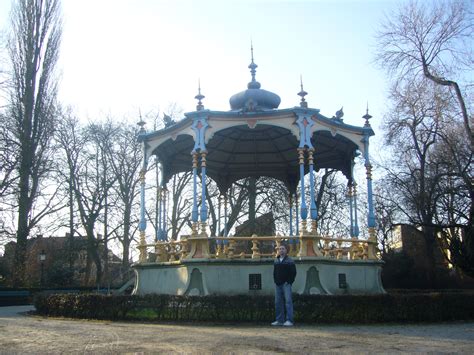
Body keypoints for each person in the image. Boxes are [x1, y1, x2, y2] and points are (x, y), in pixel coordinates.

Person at [271, 243, 296, 326]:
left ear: (286, 250)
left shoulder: (290, 261)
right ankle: (279, 320)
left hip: (286, 284)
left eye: (283, 249)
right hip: (277, 284)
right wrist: (275, 281)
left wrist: (289, 282)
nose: (281, 250)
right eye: (280, 249)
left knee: (288, 302)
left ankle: (289, 320)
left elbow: (293, 273)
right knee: (278, 302)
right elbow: (274, 272)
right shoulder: (276, 260)